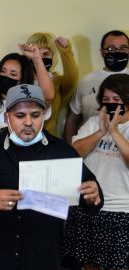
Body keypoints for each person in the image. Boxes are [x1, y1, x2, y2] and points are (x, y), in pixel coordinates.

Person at [0, 84, 103, 270]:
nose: (28, 122)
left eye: (35, 115)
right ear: (7, 116)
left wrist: (93, 195)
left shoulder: (63, 151)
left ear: (43, 114)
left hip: (45, 258)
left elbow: (90, 197)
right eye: (20, 116)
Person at [62, 74, 129, 270]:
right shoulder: (92, 123)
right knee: (85, 263)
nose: (111, 105)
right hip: (87, 204)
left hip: (120, 210)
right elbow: (73, 153)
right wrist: (101, 131)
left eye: (116, 100)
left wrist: (114, 131)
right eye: (106, 100)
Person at [64, 30, 129, 143]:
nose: (117, 52)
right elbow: (72, 120)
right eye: (111, 49)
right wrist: (70, 150)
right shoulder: (86, 81)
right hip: (88, 149)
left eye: (122, 48)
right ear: (102, 52)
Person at [26, 33, 78, 137]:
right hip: (22, 140)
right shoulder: (20, 79)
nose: (39, 58)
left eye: (46, 54)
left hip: (49, 141)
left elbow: (72, 77)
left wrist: (65, 51)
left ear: (53, 57)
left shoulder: (57, 82)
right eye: (36, 53)